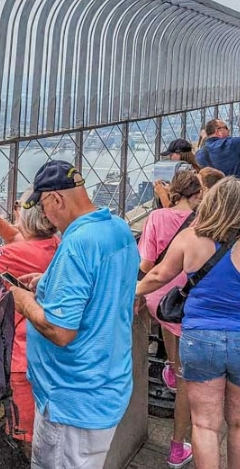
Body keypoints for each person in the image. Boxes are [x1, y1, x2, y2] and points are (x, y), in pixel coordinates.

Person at [7, 160, 140, 469]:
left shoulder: (78, 243)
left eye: (43, 206)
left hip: (72, 400)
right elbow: (107, 285)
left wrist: (23, 301)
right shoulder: (117, 228)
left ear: (56, 199)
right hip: (107, 382)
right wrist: (49, 282)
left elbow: (61, 331)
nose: (45, 216)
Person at [137, 177, 240, 469]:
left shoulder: (190, 238)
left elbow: (157, 276)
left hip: (199, 338)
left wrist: (130, 291)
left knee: (205, 425)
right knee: (237, 423)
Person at [0, 189, 59, 457]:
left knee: (28, 439)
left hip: (22, 358)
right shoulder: (55, 244)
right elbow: (17, 236)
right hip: (50, 352)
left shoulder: (7, 256)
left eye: (18, 207)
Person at [138, 170, 203, 468]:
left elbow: (146, 264)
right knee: (187, 382)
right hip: (187, 301)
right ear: (197, 195)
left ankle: (171, 367)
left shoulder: (156, 217)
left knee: (167, 323)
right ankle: (177, 447)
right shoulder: (203, 222)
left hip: (158, 299)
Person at [154, 139, 200, 208]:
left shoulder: (191, 179)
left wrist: (162, 194)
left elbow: (174, 210)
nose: (170, 158)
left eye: (171, 155)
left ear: (179, 154)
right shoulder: (197, 171)